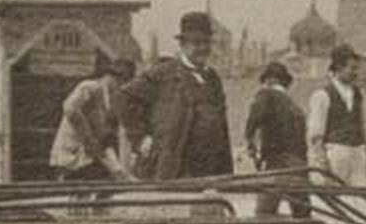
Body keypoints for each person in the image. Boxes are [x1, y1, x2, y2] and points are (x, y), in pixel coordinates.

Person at [118, 10, 233, 180]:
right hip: (176, 166)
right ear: (183, 45)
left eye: (206, 42)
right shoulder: (163, 73)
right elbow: (124, 97)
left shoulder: (213, 78)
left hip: (211, 168)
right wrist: (141, 138)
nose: (203, 48)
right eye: (196, 43)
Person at [244, 61, 313, 224]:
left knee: (263, 217)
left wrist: (248, 139)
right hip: (299, 167)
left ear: (269, 80)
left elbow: (254, 119)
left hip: (277, 165)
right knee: (302, 217)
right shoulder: (295, 107)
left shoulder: (266, 95)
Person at [50, 54, 133, 182]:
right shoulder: (90, 87)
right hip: (72, 153)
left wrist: (117, 169)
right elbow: (70, 108)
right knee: (77, 191)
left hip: (89, 157)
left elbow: (103, 138)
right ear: (113, 77)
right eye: (120, 81)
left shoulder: (109, 101)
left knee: (108, 185)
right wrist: (88, 137)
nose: (120, 85)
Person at [308, 44, 366, 185]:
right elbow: (316, 134)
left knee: (363, 201)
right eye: (352, 68)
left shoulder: (360, 94)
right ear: (339, 67)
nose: (356, 72)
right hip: (335, 153)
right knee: (335, 199)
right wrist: (322, 164)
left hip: (358, 153)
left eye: (357, 68)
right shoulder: (322, 95)